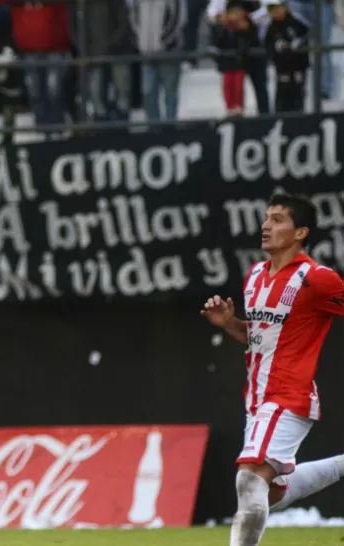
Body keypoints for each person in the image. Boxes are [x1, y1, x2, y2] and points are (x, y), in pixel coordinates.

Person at [201, 193, 344, 546]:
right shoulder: (254, 276)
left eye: (278, 219)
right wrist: (229, 323)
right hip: (257, 397)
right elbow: (259, 337)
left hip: (290, 394)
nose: (266, 225)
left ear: (300, 232)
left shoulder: (318, 278)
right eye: (266, 218)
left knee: (248, 479)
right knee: (270, 496)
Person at [261, 0, 310, 113]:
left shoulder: (296, 21)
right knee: (282, 93)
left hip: (299, 65)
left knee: (298, 92)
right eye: (272, 9)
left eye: (279, 8)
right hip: (282, 67)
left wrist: (298, 43)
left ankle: (298, 118)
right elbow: (266, 44)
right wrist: (275, 46)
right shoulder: (271, 26)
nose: (277, 12)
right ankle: (281, 119)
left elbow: (308, 35)